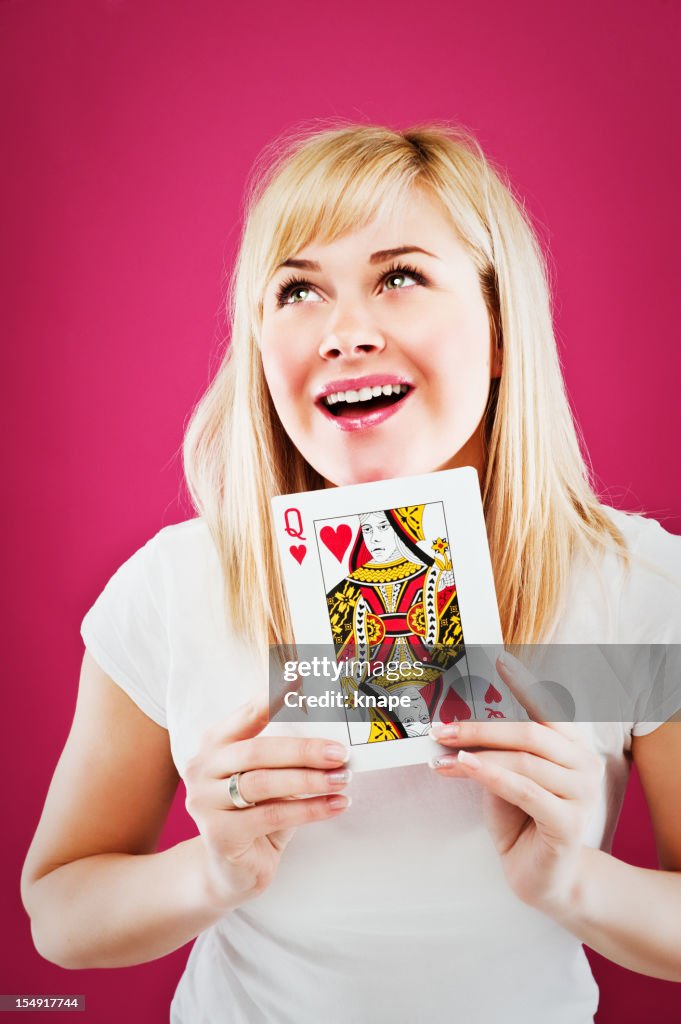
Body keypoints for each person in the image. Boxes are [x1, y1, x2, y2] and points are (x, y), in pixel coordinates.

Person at [20, 123, 681, 1022]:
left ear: (497, 327)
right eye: (297, 289)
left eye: (398, 276)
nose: (342, 331)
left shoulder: (638, 588)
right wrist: (211, 869)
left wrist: (573, 882)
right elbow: (59, 914)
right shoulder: (174, 591)